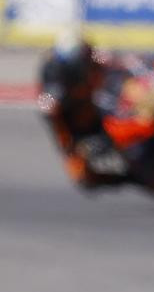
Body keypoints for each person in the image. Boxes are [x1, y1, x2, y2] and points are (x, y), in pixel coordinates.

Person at [36, 35, 129, 188]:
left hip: (107, 103)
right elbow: (49, 108)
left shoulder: (95, 56)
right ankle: (130, 179)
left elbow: (123, 63)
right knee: (81, 177)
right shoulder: (53, 72)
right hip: (79, 117)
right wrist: (69, 149)